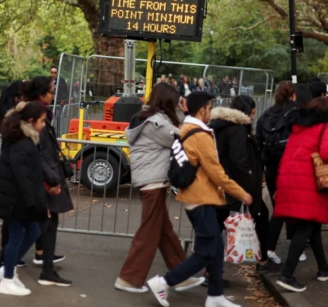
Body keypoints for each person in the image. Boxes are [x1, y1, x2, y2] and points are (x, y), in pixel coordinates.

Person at [147, 91, 252, 307]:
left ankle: (215, 296)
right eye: (209, 107)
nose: (211, 112)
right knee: (205, 251)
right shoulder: (200, 134)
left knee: (215, 247)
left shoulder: (189, 129)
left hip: (200, 198)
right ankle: (163, 282)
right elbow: (216, 173)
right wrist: (242, 194)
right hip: (201, 199)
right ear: (202, 110)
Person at [115, 83, 204, 293]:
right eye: (174, 101)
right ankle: (128, 279)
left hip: (152, 181)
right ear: (167, 102)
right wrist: (187, 113)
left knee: (166, 233)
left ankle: (181, 276)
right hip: (153, 183)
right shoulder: (156, 123)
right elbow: (184, 136)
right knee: (148, 234)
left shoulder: (150, 118)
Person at [274, 97, 328, 292]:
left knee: (313, 227)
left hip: (290, 181)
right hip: (309, 184)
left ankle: (324, 269)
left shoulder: (298, 128)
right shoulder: (326, 127)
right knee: (305, 228)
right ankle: (287, 275)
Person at [210, 95, 280, 274]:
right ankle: (263, 260)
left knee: (217, 224)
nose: (253, 117)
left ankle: (210, 269)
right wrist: (250, 187)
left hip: (222, 183)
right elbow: (239, 161)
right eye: (253, 113)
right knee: (261, 216)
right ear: (246, 111)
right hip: (237, 184)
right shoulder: (238, 130)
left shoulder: (219, 127)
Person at [0, 102, 49, 296]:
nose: (44, 124)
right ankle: (6, 278)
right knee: (17, 236)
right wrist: (37, 205)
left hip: (18, 199)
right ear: (31, 121)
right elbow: (24, 178)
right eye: (42, 121)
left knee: (32, 232)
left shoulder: (22, 137)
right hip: (16, 200)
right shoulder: (21, 141)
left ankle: (7, 269)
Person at [23, 76, 74, 286]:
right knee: (40, 224)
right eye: (51, 91)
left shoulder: (39, 114)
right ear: (41, 94)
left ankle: (46, 266)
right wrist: (52, 180)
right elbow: (39, 154)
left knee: (44, 223)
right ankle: (3, 260)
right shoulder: (35, 115)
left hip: (47, 177)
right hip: (45, 179)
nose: (54, 95)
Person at [255, 81, 299, 265]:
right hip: (290, 168)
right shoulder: (295, 114)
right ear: (293, 95)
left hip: (271, 167)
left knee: (279, 207)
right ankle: (273, 249)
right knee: (286, 209)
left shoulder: (265, 116)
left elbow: (258, 142)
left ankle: (275, 248)